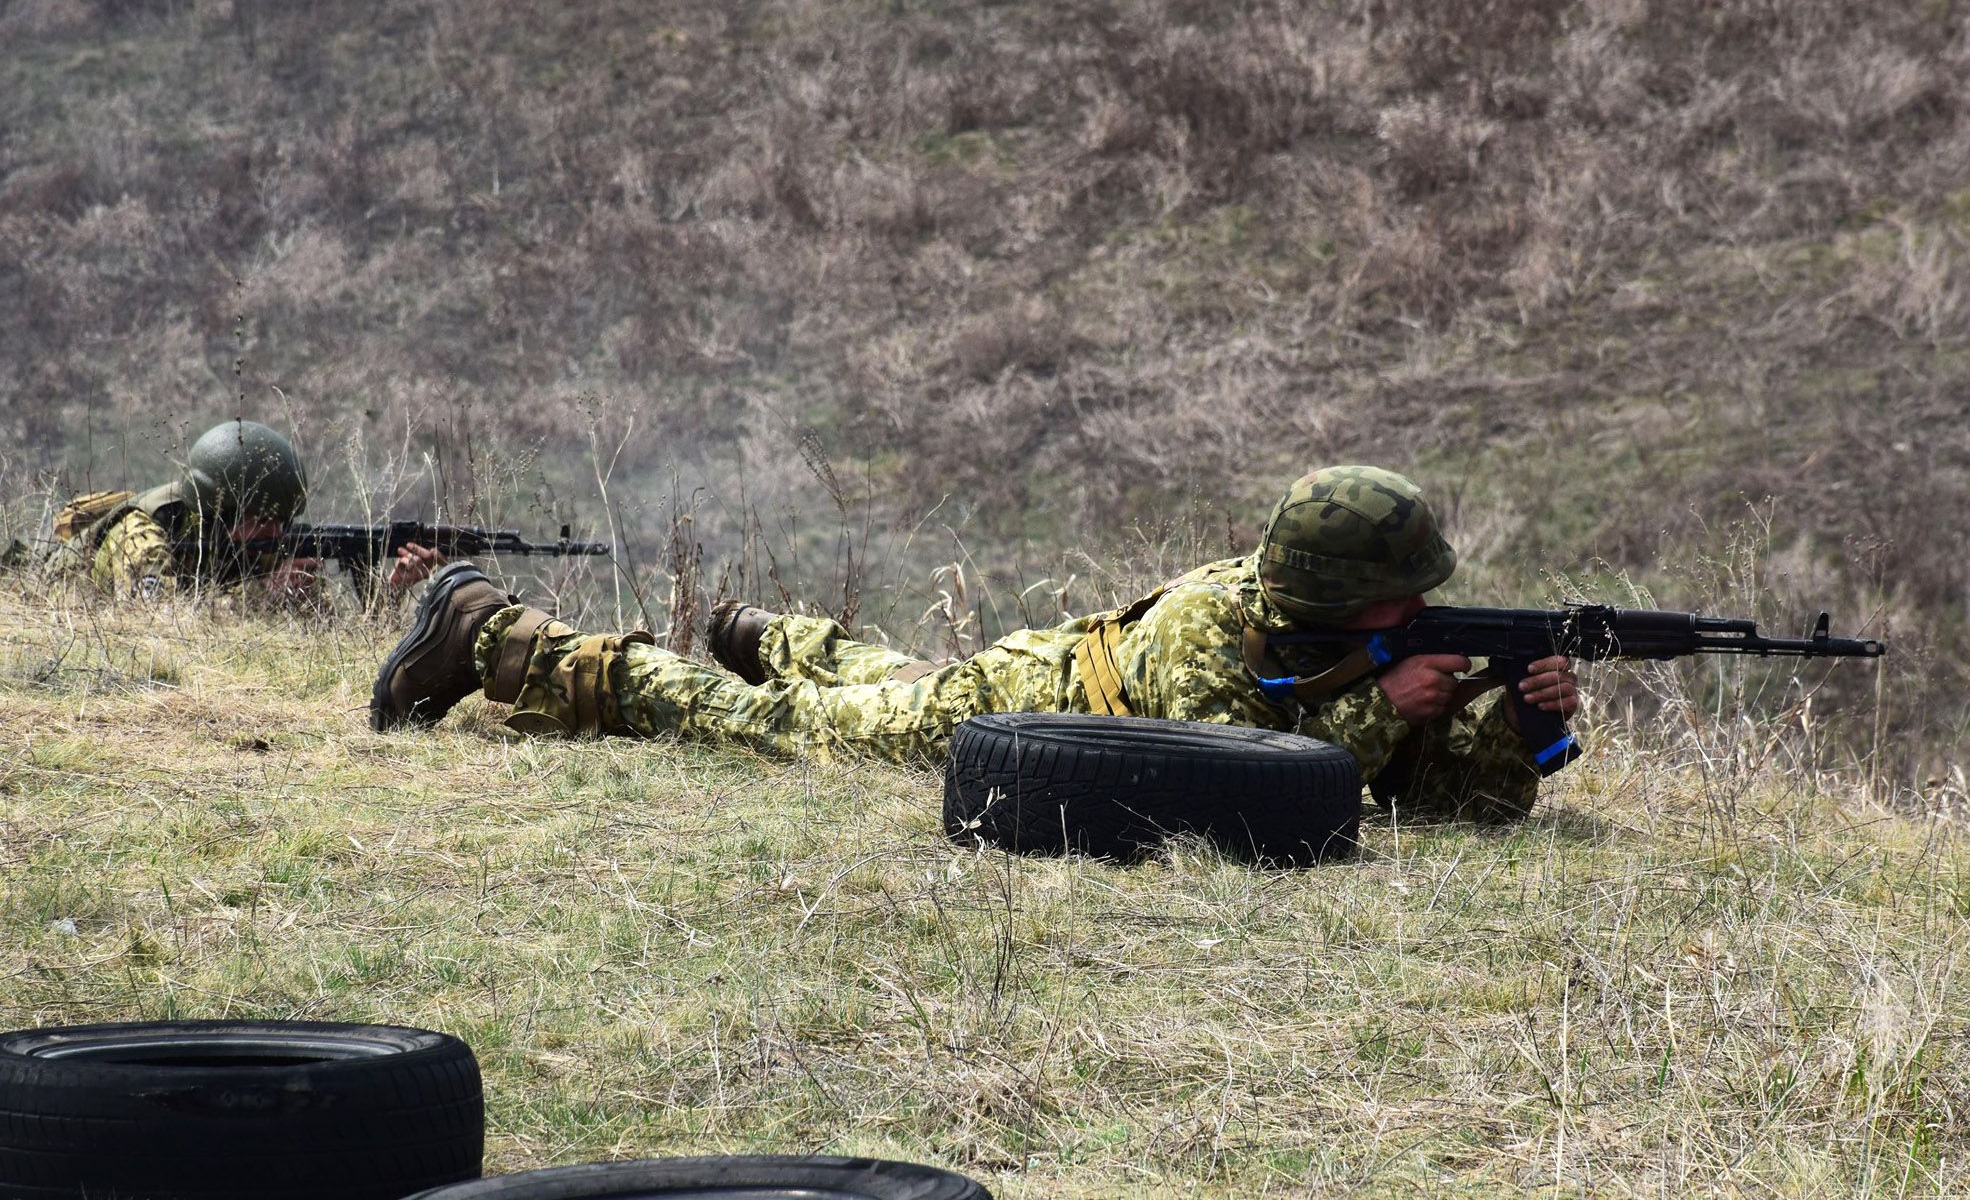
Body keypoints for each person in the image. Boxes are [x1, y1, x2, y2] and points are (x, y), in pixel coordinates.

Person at [370, 466, 1579, 820]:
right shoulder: (1220, 626)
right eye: (1395, 600)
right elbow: (1246, 785)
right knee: (783, 733)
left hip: (1033, 684)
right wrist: (1388, 705)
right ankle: (501, 637)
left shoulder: (1338, 628)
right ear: (1337, 589)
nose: (1411, 616)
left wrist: (1517, 728)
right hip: (1010, 714)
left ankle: (770, 631)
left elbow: (1441, 810)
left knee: (882, 681)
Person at [36, 420, 442, 603]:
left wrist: (390, 592)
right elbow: (156, 624)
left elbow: (327, 635)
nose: (274, 530)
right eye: (260, 517)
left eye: (280, 519)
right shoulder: (144, 537)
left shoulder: (265, 546)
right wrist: (266, 594)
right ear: (220, 510)